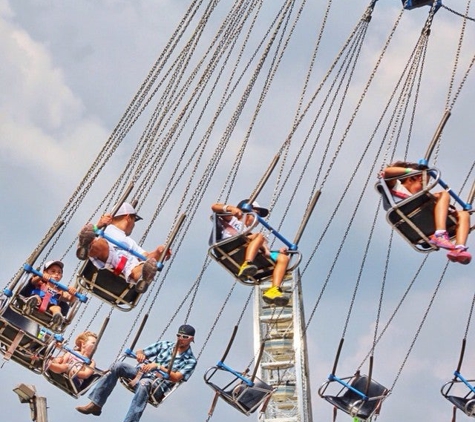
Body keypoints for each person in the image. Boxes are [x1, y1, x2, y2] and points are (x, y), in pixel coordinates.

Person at [75, 324, 197, 421]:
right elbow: (142, 351)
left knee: (145, 383)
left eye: (185, 337)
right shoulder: (165, 345)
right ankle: (96, 403)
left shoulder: (190, 360)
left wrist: (158, 366)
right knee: (117, 366)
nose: (181, 339)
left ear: (191, 339)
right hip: (142, 373)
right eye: (179, 335)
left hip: (157, 385)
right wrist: (140, 355)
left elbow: (176, 377)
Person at [382, 161, 471, 264]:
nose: (424, 188)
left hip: (425, 222)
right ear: (415, 178)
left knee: (464, 214)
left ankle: (459, 248)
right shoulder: (397, 187)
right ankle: (440, 234)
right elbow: (387, 172)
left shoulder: (422, 200)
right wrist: (411, 171)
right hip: (414, 219)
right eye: (422, 184)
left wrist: (450, 212)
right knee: (443, 194)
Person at [76, 202, 171, 293]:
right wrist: (99, 225)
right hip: (109, 255)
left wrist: (159, 252)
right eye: (134, 220)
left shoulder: (131, 242)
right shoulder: (107, 228)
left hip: (127, 265)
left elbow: (146, 256)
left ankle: (143, 277)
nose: (134, 225)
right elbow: (91, 231)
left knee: (143, 265)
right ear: (128, 217)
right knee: (101, 243)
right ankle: (86, 246)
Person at [211, 200, 291, 305]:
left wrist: (272, 251)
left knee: (283, 258)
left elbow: (266, 252)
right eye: (256, 214)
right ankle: (247, 263)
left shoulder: (250, 234)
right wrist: (231, 209)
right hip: (229, 244)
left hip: (243, 247)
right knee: (259, 236)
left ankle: (274, 289)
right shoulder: (234, 219)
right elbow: (214, 206)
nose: (258, 219)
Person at [23, 260, 77, 330]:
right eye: (53, 271)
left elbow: (70, 299)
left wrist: (73, 293)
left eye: (59, 272)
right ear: (45, 272)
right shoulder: (41, 282)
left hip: (49, 308)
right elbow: (33, 281)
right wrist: (41, 276)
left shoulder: (60, 290)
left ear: (61, 276)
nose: (56, 274)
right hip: (37, 302)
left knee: (57, 308)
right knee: (36, 298)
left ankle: (57, 318)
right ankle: (29, 306)